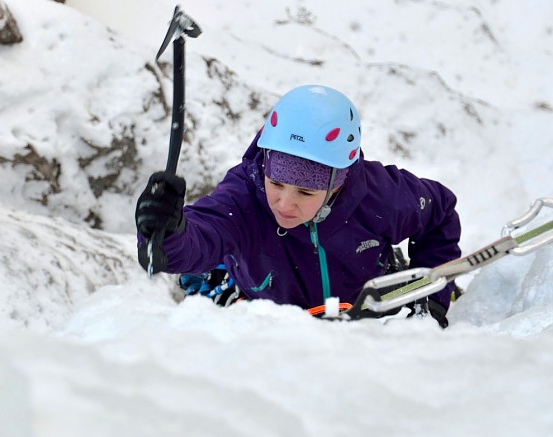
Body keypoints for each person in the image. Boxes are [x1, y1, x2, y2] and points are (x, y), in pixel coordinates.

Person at [135, 84, 462, 325]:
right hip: (271, 313)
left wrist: (431, 301)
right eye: (276, 183)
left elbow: (439, 215)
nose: (284, 204)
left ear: (338, 183)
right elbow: (199, 239)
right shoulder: (245, 196)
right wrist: (164, 232)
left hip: (362, 305)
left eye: (305, 193)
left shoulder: (380, 196)